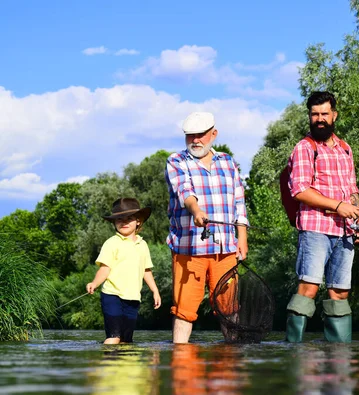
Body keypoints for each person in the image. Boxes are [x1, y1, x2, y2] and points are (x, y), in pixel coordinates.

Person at [285, 91, 359, 343]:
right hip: (315, 229)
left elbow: (352, 188)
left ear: (334, 115)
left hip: (345, 231)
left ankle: (340, 355)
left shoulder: (345, 149)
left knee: (340, 293)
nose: (319, 119)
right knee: (308, 289)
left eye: (324, 114)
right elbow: (299, 190)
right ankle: (294, 350)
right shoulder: (304, 148)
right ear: (310, 116)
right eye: (314, 114)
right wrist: (338, 206)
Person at [165, 111, 248, 344]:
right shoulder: (176, 161)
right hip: (188, 250)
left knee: (229, 307)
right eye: (190, 136)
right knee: (184, 310)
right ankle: (181, 365)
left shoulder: (228, 161)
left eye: (200, 135)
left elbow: (239, 203)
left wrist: (242, 237)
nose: (195, 140)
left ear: (214, 134)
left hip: (226, 248)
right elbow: (185, 191)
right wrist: (196, 211)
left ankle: (231, 361)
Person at [86, 197, 161, 344]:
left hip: (133, 298)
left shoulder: (143, 244)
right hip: (112, 295)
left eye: (129, 218)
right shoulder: (111, 243)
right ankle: (107, 364)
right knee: (114, 337)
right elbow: (105, 268)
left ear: (138, 221)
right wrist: (94, 283)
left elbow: (146, 270)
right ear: (114, 222)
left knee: (126, 341)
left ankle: (124, 367)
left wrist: (155, 291)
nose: (124, 222)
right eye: (119, 219)